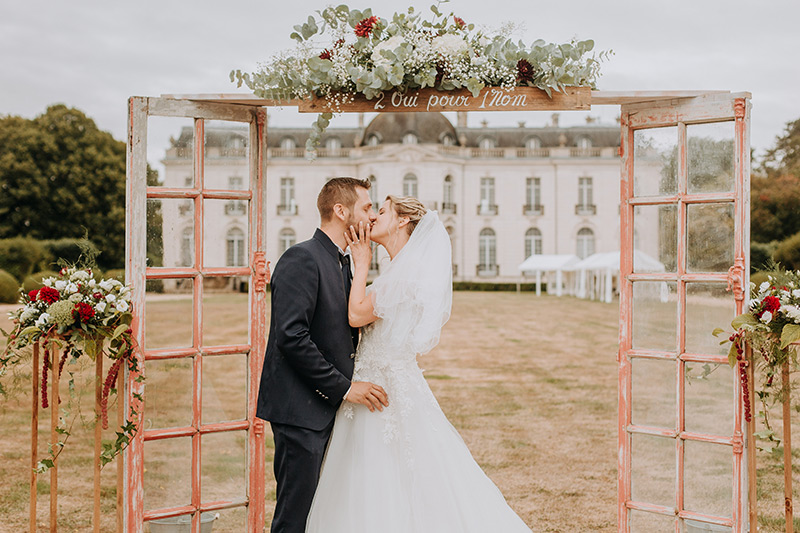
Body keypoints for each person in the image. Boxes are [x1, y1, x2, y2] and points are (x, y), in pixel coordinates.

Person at [306, 196, 532, 532]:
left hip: (382, 391)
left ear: (401, 222)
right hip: (377, 386)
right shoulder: (402, 271)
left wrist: (362, 261)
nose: (372, 217)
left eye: (381, 211)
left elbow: (355, 315)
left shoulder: (404, 276)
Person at [256, 177, 390, 533]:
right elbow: (291, 337)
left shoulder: (344, 263)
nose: (372, 215)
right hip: (300, 412)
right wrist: (345, 388)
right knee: (295, 517)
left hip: (328, 412)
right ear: (340, 210)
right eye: (366, 207)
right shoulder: (301, 258)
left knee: (322, 516)